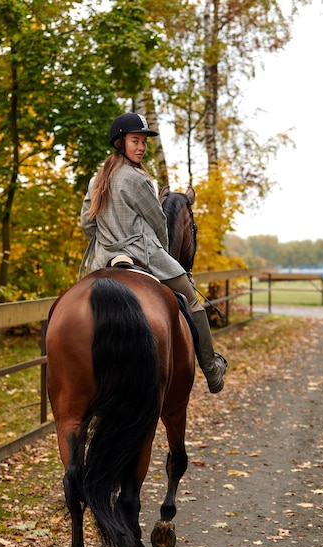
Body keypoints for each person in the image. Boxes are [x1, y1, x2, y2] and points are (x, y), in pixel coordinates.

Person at [80, 112, 227, 393]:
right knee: (192, 299)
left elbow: (87, 222)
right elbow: (159, 221)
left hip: (104, 259)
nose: (141, 147)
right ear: (120, 142)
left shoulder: (97, 178)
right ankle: (211, 369)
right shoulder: (138, 179)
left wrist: (104, 244)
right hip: (142, 254)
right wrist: (163, 250)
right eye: (135, 141)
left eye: (144, 142)